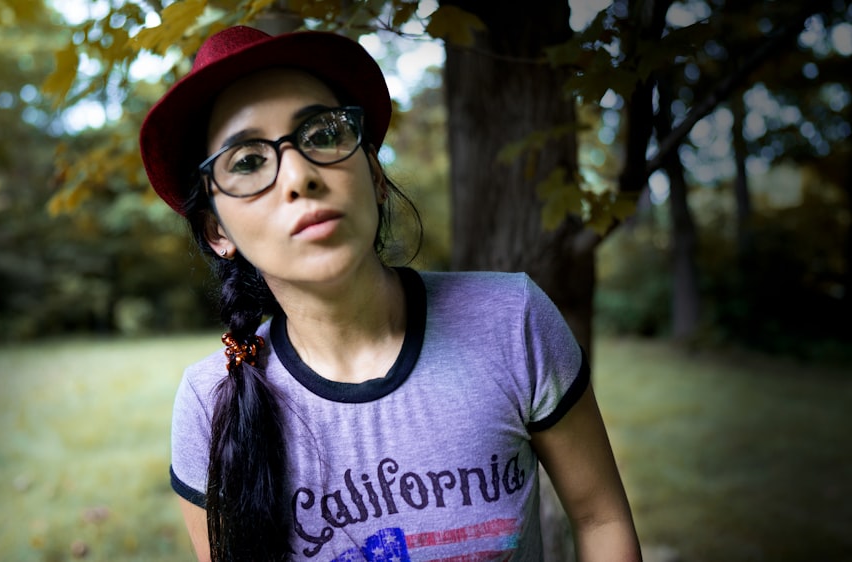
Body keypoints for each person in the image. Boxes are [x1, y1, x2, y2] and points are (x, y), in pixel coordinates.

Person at [139, 24, 641, 562]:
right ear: (218, 231)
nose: (299, 175)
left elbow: (600, 518)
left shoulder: (511, 319)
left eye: (323, 134)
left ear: (375, 176)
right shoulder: (207, 402)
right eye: (247, 162)